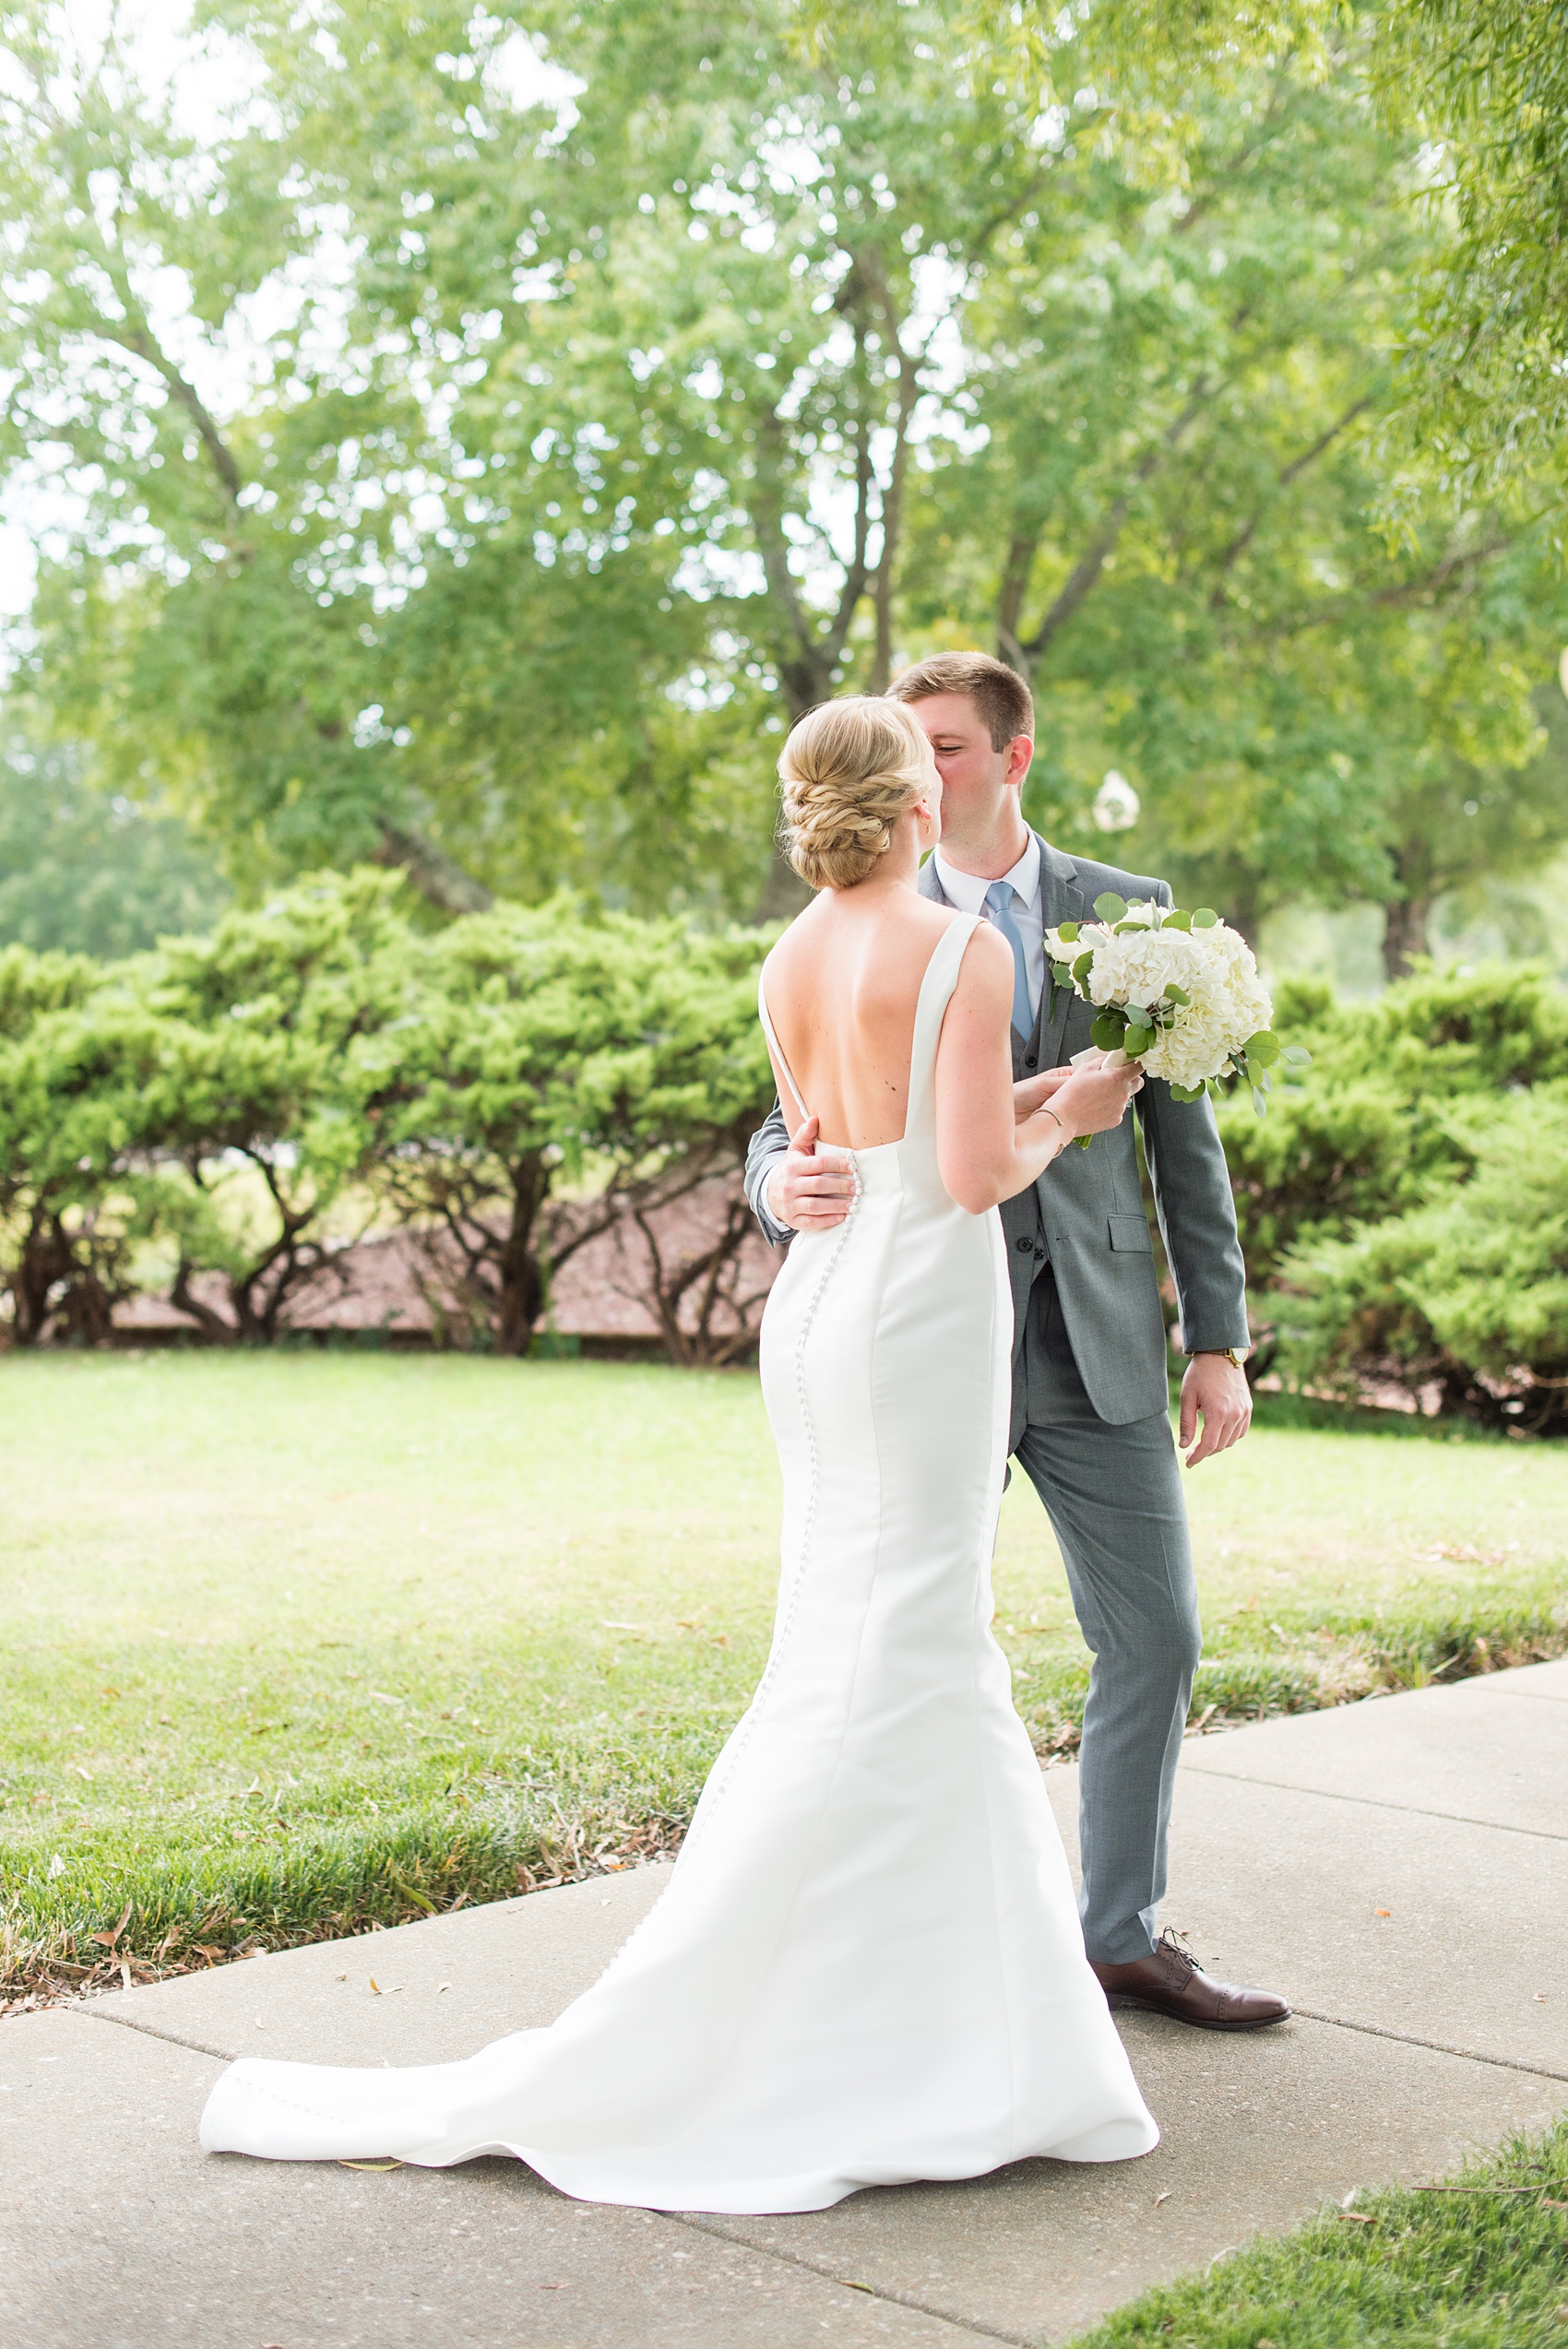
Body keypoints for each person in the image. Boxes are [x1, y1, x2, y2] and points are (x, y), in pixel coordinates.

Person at [198, 694, 1161, 2210]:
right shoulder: (968, 950)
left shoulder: (789, 958)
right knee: (913, 1634)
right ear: (918, 803)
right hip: (923, 1322)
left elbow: (842, 1156)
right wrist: (1084, 1110)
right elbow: (973, 1176)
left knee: (864, 1635)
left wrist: (1024, 1108)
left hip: (827, 1314)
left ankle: (957, 2025)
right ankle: (901, 2027)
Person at [746, 651, 1290, 2032]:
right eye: (911, 750)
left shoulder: (1131, 916)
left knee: (1155, 1635)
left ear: (1014, 756)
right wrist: (776, 1183)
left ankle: (1119, 1938)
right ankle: (900, 1940)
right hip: (931, 1335)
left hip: (1096, 1338)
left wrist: (1215, 1339)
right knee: (910, 1630)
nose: (933, 773)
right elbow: (797, 1126)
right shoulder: (872, 915)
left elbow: (1186, 1143)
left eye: (954, 748)